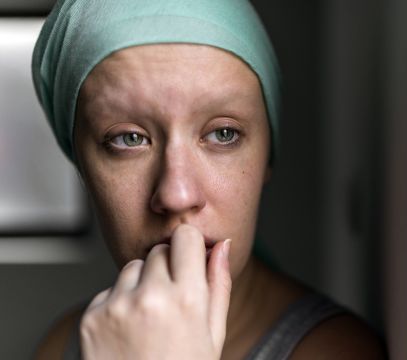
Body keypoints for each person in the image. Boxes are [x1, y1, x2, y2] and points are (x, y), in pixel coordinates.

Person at [30, 0, 386, 359]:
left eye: (223, 134)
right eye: (129, 139)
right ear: (80, 164)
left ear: (267, 154)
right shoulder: (63, 347)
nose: (177, 194)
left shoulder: (337, 352)